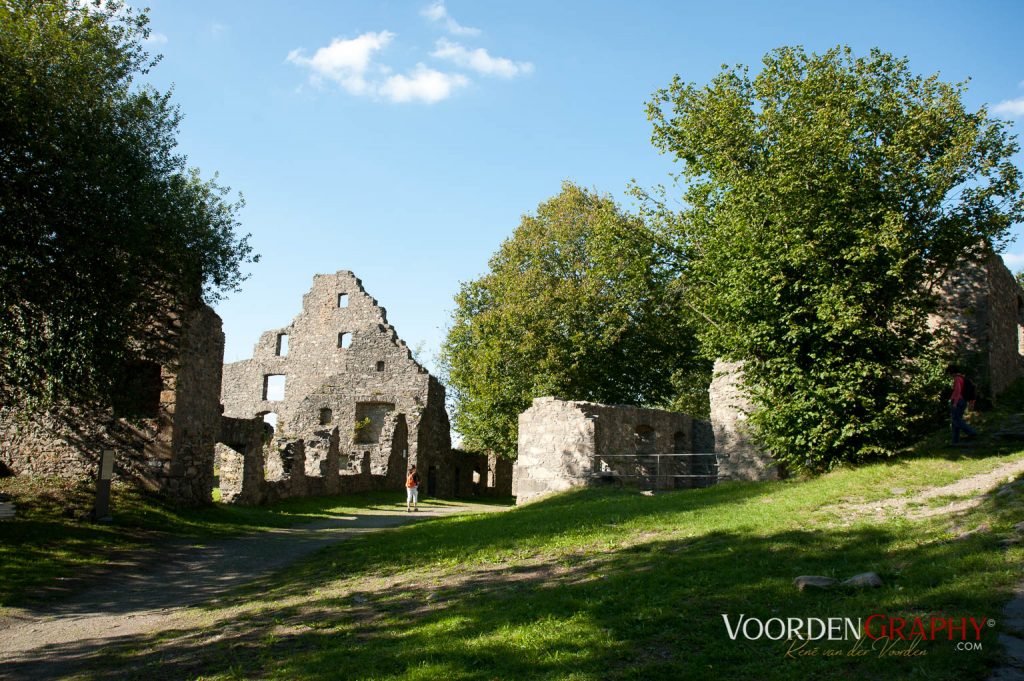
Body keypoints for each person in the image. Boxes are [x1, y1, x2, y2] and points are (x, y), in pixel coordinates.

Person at [946, 365, 978, 444]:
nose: (949, 376)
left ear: (951, 372)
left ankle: (971, 432)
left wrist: (955, 403)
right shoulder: (963, 378)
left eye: (949, 374)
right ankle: (955, 441)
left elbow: (957, 391)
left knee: (956, 420)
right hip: (963, 401)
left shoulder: (957, 379)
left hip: (957, 401)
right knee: (955, 421)